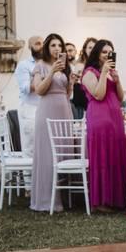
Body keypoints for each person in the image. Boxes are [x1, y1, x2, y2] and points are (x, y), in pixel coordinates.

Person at [28, 34, 74, 212]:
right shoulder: (40, 66)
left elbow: (66, 94)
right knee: (48, 155)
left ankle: (66, 196)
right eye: (53, 45)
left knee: (63, 154)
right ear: (47, 48)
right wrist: (52, 72)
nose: (57, 48)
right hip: (47, 113)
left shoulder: (65, 67)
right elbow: (39, 90)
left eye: (59, 45)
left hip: (64, 111)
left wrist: (71, 82)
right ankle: (47, 200)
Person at [81, 39, 126, 211]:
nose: (107, 55)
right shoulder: (89, 72)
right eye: (104, 52)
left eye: (110, 52)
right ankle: (101, 201)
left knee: (115, 157)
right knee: (102, 158)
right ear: (96, 54)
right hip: (100, 120)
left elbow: (121, 97)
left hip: (115, 120)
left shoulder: (111, 72)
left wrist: (117, 80)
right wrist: (103, 74)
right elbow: (99, 95)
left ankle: (117, 198)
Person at [15, 36, 43, 157]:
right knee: (30, 147)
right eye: (37, 44)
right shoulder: (24, 65)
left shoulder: (49, 64)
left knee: (44, 147)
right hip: (29, 110)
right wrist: (43, 80)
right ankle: (28, 176)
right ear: (30, 47)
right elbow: (26, 88)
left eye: (43, 43)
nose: (41, 46)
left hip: (44, 108)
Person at [71, 37, 98, 120]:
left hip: (96, 101)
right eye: (90, 47)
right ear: (85, 49)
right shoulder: (79, 65)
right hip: (81, 104)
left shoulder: (100, 66)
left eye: (94, 47)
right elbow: (75, 83)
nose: (92, 50)